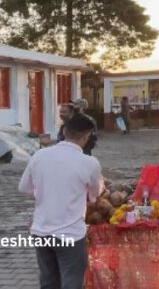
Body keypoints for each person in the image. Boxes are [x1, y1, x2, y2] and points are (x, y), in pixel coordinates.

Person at [19, 115, 104, 289]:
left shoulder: (39, 155)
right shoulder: (89, 163)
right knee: (71, 282)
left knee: (49, 282)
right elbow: (96, 191)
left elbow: (23, 187)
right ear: (86, 137)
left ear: (64, 131)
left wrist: (45, 190)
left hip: (41, 231)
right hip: (70, 234)